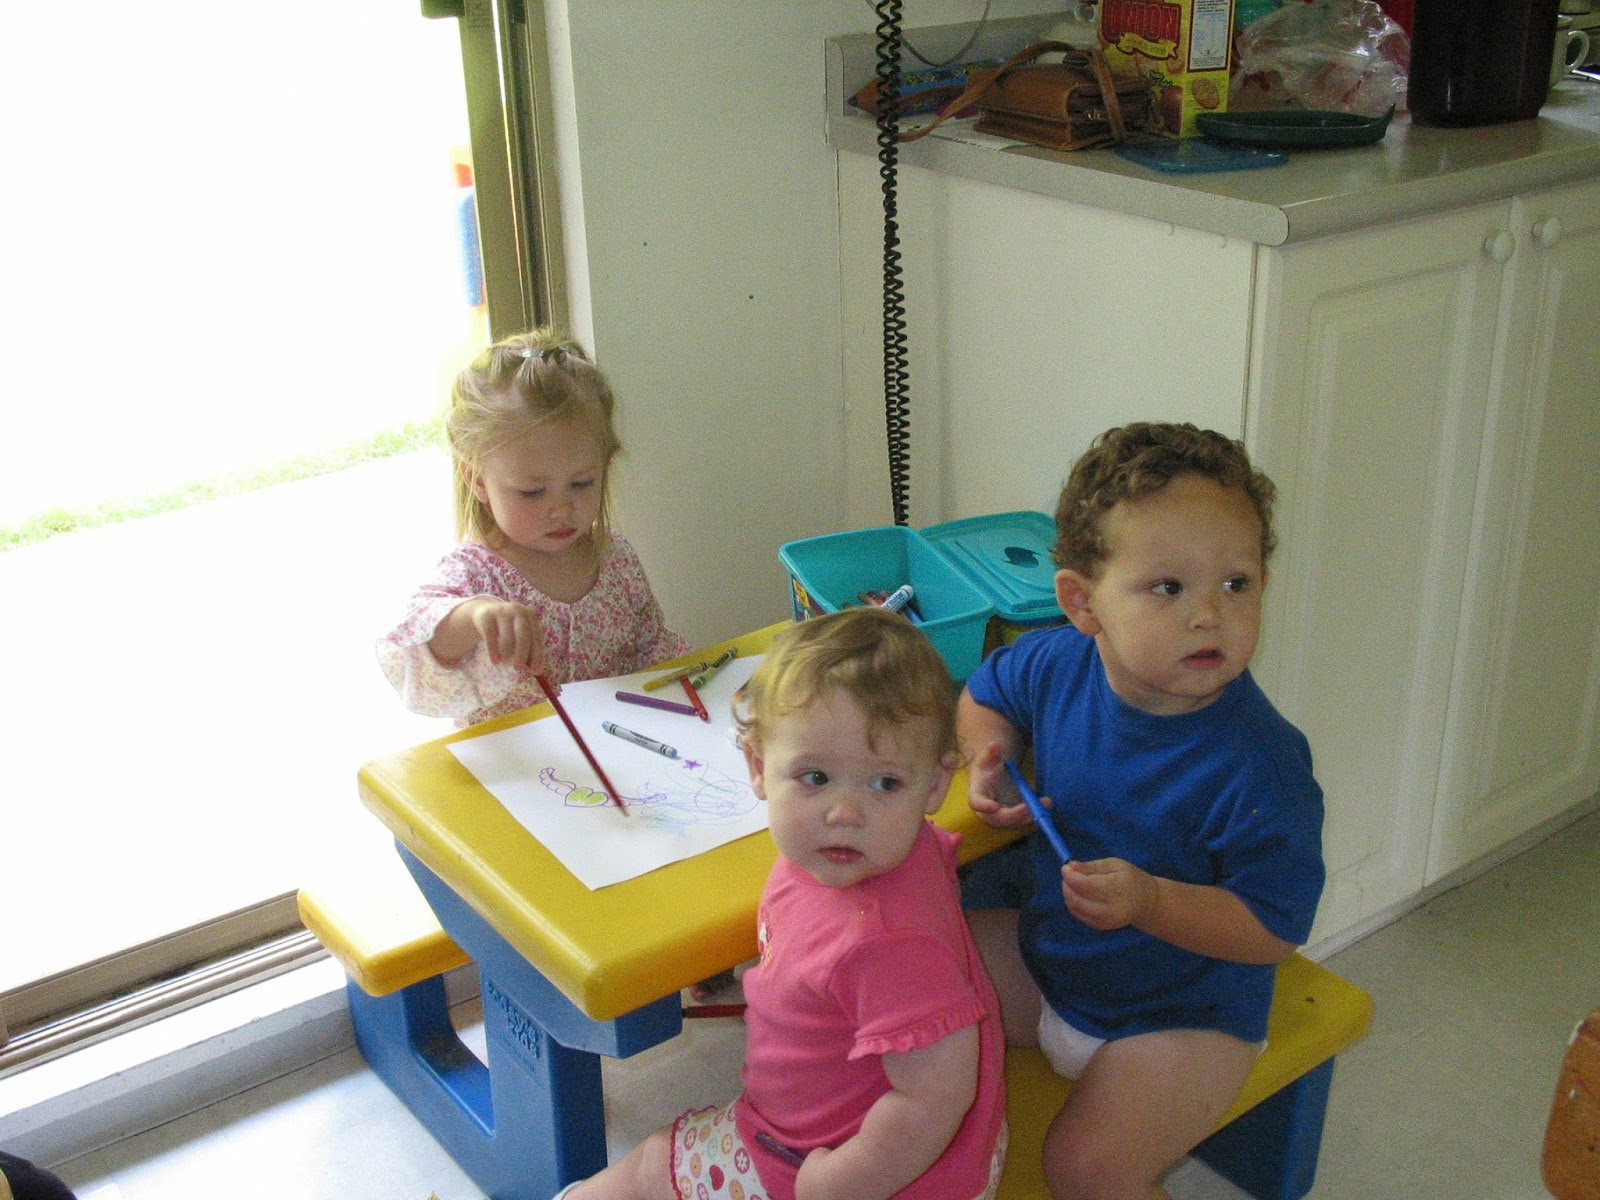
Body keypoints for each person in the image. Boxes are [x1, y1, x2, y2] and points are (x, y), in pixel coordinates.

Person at [958, 422, 1325, 1200]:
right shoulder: (1059, 662)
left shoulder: (1263, 764)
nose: (1209, 614)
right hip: (1055, 962)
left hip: (1187, 1015)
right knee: (918, 962)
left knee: (1086, 1168)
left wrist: (1152, 901)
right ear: (1082, 603)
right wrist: (988, 757)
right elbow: (986, 691)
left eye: (1237, 583)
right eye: (1168, 587)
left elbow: (1273, 928)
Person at [554, 607, 1008, 1200]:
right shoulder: (884, 850)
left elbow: (938, 1095)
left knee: (647, 1170)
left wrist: (845, 1182)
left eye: (885, 783)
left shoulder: (890, 942)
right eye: (815, 778)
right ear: (757, 766)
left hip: (869, 1171)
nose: (844, 813)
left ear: (934, 785)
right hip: (887, 1138)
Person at [377, 329, 689, 726]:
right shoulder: (474, 572)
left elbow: (655, 656)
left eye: (581, 483)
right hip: (519, 759)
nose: (561, 509)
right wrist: (474, 615)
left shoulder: (616, 559)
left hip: (621, 748)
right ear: (477, 480)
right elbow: (420, 649)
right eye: (532, 492)